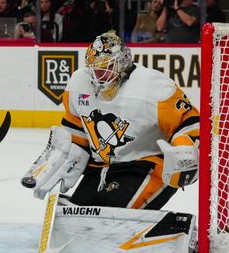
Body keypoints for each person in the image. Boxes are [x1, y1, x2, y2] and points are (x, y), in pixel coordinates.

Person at [23, 31, 199, 210]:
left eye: (105, 69)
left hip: (147, 166)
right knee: (80, 215)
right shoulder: (78, 83)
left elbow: (188, 123)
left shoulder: (154, 86)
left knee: (112, 215)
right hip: (102, 168)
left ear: (122, 63)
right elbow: (76, 128)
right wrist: (69, 148)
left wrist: (184, 150)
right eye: (94, 69)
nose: (98, 76)